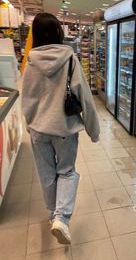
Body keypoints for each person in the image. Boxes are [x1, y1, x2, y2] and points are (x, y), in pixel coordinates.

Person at [21, 13, 100, 244]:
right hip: (64, 129)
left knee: (46, 175)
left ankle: (51, 217)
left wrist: (29, 122)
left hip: (38, 129)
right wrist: (94, 130)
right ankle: (61, 219)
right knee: (66, 172)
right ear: (59, 32)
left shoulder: (31, 61)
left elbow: (26, 97)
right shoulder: (70, 59)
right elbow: (84, 96)